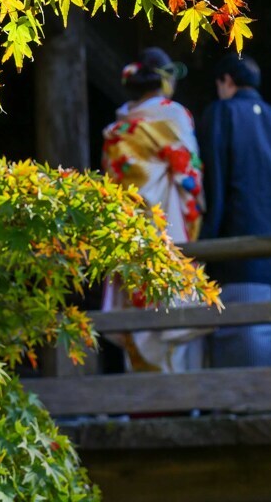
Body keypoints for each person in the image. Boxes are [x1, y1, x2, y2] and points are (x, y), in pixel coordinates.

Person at [101, 47, 205, 373]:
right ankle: (176, 402)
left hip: (126, 225)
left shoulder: (116, 130)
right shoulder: (172, 116)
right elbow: (189, 176)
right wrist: (196, 212)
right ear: (163, 81)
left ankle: (139, 402)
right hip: (166, 219)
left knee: (136, 300)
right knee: (169, 299)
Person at [198, 53, 271, 367]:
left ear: (226, 81)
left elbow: (212, 181)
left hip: (235, 255)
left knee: (241, 349)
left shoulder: (221, 112)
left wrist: (204, 245)